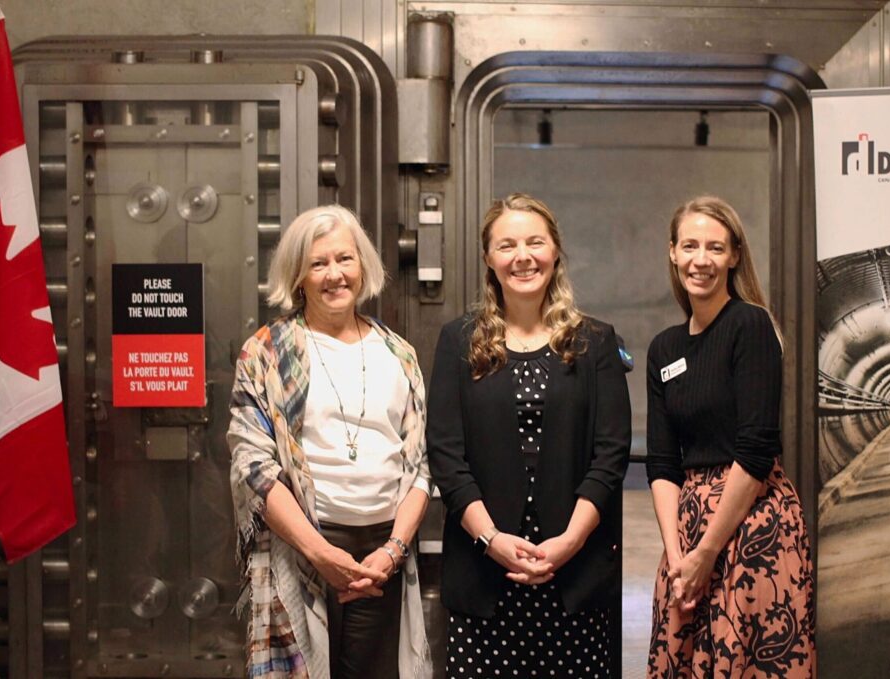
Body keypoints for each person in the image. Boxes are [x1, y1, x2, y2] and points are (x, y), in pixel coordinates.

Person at [427, 193, 631, 679]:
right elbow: (446, 456)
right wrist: (492, 539)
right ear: (489, 260)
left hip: (575, 577)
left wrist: (570, 542)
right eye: (507, 245)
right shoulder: (458, 341)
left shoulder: (594, 342)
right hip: (484, 575)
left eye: (535, 242)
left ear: (555, 251)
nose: (523, 256)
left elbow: (611, 455)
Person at [228, 205, 433, 679]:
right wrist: (322, 555)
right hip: (300, 552)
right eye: (318, 263)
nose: (334, 275)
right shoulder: (266, 352)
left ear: (363, 265)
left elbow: (421, 466)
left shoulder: (398, 353)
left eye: (345, 259)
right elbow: (254, 469)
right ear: (298, 275)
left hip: (383, 555)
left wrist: (392, 552)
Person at [645, 196, 816, 677]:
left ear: (734, 255)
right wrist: (680, 556)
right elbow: (661, 463)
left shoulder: (750, 324)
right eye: (691, 246)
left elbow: (757, 448)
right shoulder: (664, 348)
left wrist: (707, 551)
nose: (702, 260)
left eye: (715, 248)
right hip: (687, 529)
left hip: (753, 525)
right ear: (673, 252)